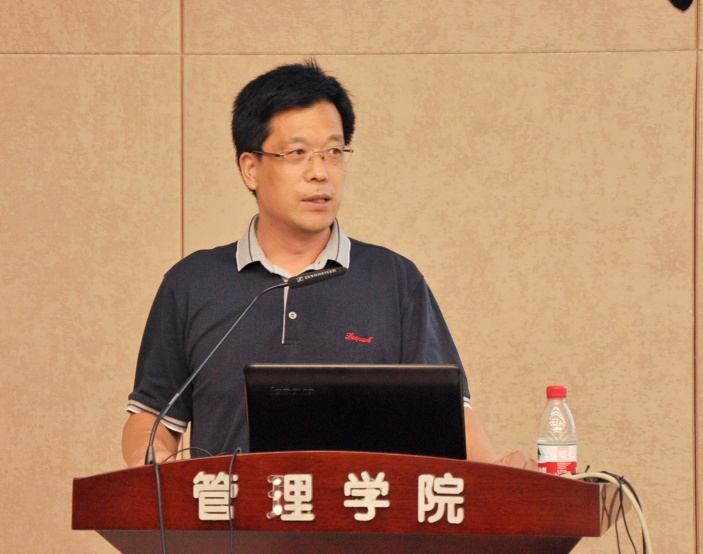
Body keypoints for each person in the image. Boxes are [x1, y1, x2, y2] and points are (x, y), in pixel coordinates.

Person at [122, 60, 536, 471]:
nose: (320, 172)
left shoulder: (394, 281)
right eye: (297, 153)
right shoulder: (192, 283)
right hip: (232, 514)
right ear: (251, 169)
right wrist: (151, 457)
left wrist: (501, 474)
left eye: (334, 152)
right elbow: (152, 417)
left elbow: (450, 418)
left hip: (365, 510)